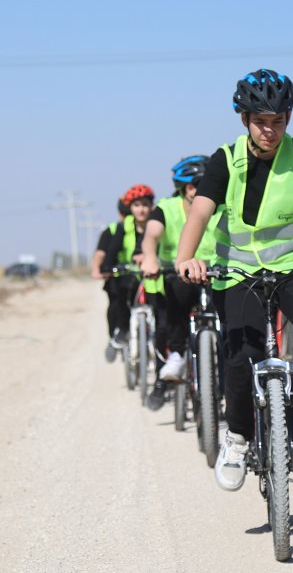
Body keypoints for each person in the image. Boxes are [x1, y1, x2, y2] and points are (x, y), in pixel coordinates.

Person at [174, 69, 293, 492]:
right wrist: (185, 257)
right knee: (242, 357)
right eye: (261, 120)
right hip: (238, 270)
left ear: (289, 118)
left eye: (278, 120)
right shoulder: (225, 159)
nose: (270, 130)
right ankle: (238, 437)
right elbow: (200, 212)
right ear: (244, 119)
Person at [140, 155, 222, 410]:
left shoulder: (220, 207)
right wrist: (151, 258)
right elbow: (151, 236)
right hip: (178, 272)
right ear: (186, 188)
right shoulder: (166, 208)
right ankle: (176, 355)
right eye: (196, 185)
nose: (202, 191)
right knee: (175, 301)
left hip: (215, 270)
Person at [93, 185, 156, 362]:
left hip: (152, 274)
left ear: (151, 206)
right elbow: (111, 250)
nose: (141, 209)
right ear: (130, 208)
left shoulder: (156, 224)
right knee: (119, 296)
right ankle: (119, 332)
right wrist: (106, 267)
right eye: (136, 205)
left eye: (145, 205)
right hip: (128, 273)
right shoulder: (123, 227)